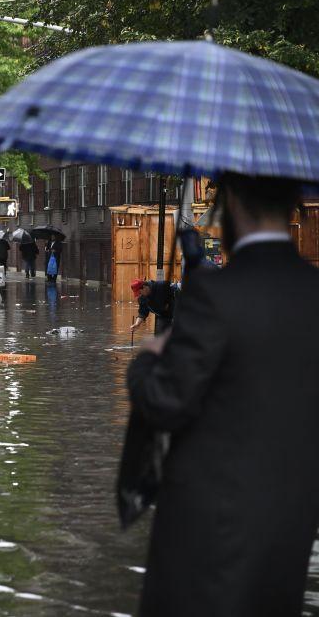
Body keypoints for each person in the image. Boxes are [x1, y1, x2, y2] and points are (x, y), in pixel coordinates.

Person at [126, 173, 319, 616]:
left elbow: (165, 401)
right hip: (290, 525)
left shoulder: (215, 295)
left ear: (230, 204)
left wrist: (149, 360)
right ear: (294, 205)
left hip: (206, 527)